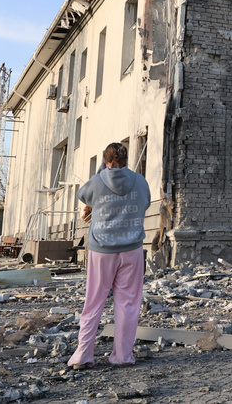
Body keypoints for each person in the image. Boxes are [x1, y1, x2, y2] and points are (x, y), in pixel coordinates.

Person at [68, 142, 151, 370]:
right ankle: (123, 356)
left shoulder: (97, 181)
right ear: (127, 160)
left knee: (94, 301)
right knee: (128, 304)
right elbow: (145, 203)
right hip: (132, 249)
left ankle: (83, 356)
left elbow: (83, 196)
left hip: (102, 249)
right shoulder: (141, 181)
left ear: (105, 161)